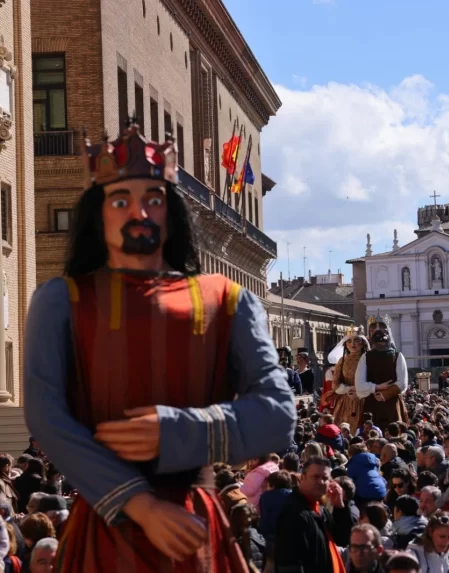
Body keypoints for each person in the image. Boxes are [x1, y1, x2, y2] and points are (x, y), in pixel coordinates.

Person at [24, 122, 296, 572]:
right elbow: (47, 419)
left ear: (171, 211)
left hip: (195, 529)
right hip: (106, 532)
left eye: (154, 199)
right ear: (98, 214)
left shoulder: (228, 299)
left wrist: (179, 431)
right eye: (121, 201)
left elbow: (279, 415)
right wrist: (140, 504)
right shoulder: (60, 300)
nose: (140, 212)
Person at [275, 456, 356, 571]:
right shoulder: (294, 513)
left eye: (325, 478)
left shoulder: (320, 509)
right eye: (315, 477)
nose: (321, 482)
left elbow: (342, 539)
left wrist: (340, 507)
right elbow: (290, 564)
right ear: (302, 478)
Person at [355, 315, 409, 428]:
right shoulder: (366, 357)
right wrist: (376, 387)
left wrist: (385, 394)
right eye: (374, 328)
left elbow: (402, 383)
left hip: (392, 403)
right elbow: (359, 384)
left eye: (382, 327)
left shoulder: (397, 356)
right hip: (371, 404)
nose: (378, 330)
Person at [331, 330, 370, 433]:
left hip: (366, 400)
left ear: (363, 343)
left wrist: (360, 391)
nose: (352, 344)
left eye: (356, 340)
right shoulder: (342, 361)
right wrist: (348, 389)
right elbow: (335, 384)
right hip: (346, 401)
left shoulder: (369, 360)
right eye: (349, 341)